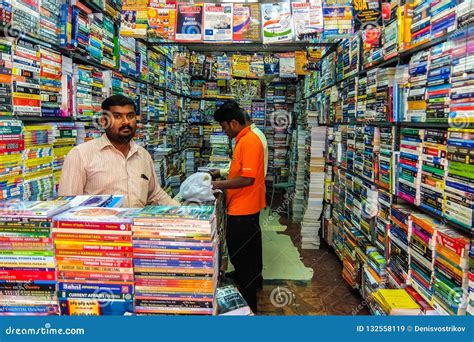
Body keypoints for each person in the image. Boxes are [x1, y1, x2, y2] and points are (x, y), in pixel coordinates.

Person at [58, 95, 179, 208]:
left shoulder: (143, 155)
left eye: (130, 116)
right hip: (101, 229)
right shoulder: (80, 155)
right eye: (117, 116)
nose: (126, 122)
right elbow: (67, 206)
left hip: (137, 228)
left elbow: (155, 195)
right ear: (103, 121)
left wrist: (186, 213)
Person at [211, 101, 265, 313]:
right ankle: (249, 292)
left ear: (234, 123)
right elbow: (239, 172)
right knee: (248, 258)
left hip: (243, 211)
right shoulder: (244, 139)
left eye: (224, 127)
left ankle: (249, 306)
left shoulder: (249, 141)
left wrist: (216, 185)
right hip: (243, 208)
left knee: (243, 260)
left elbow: (247, 179)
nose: (224, 132)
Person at [210, 112, 268, 179]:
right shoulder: (250, 136)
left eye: (224, 127)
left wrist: (215, 184)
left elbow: (247, 177)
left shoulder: (251, 139)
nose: (224, 131)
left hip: (248, 188)